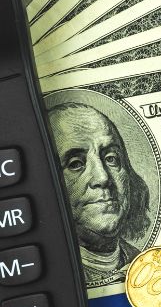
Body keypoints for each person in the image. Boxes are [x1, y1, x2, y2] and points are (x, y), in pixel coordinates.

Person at [46, 103, 150, 279]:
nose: (103, 178)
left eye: (111, 159)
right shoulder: (51, 272)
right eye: (75, 164)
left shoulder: (143, 261)